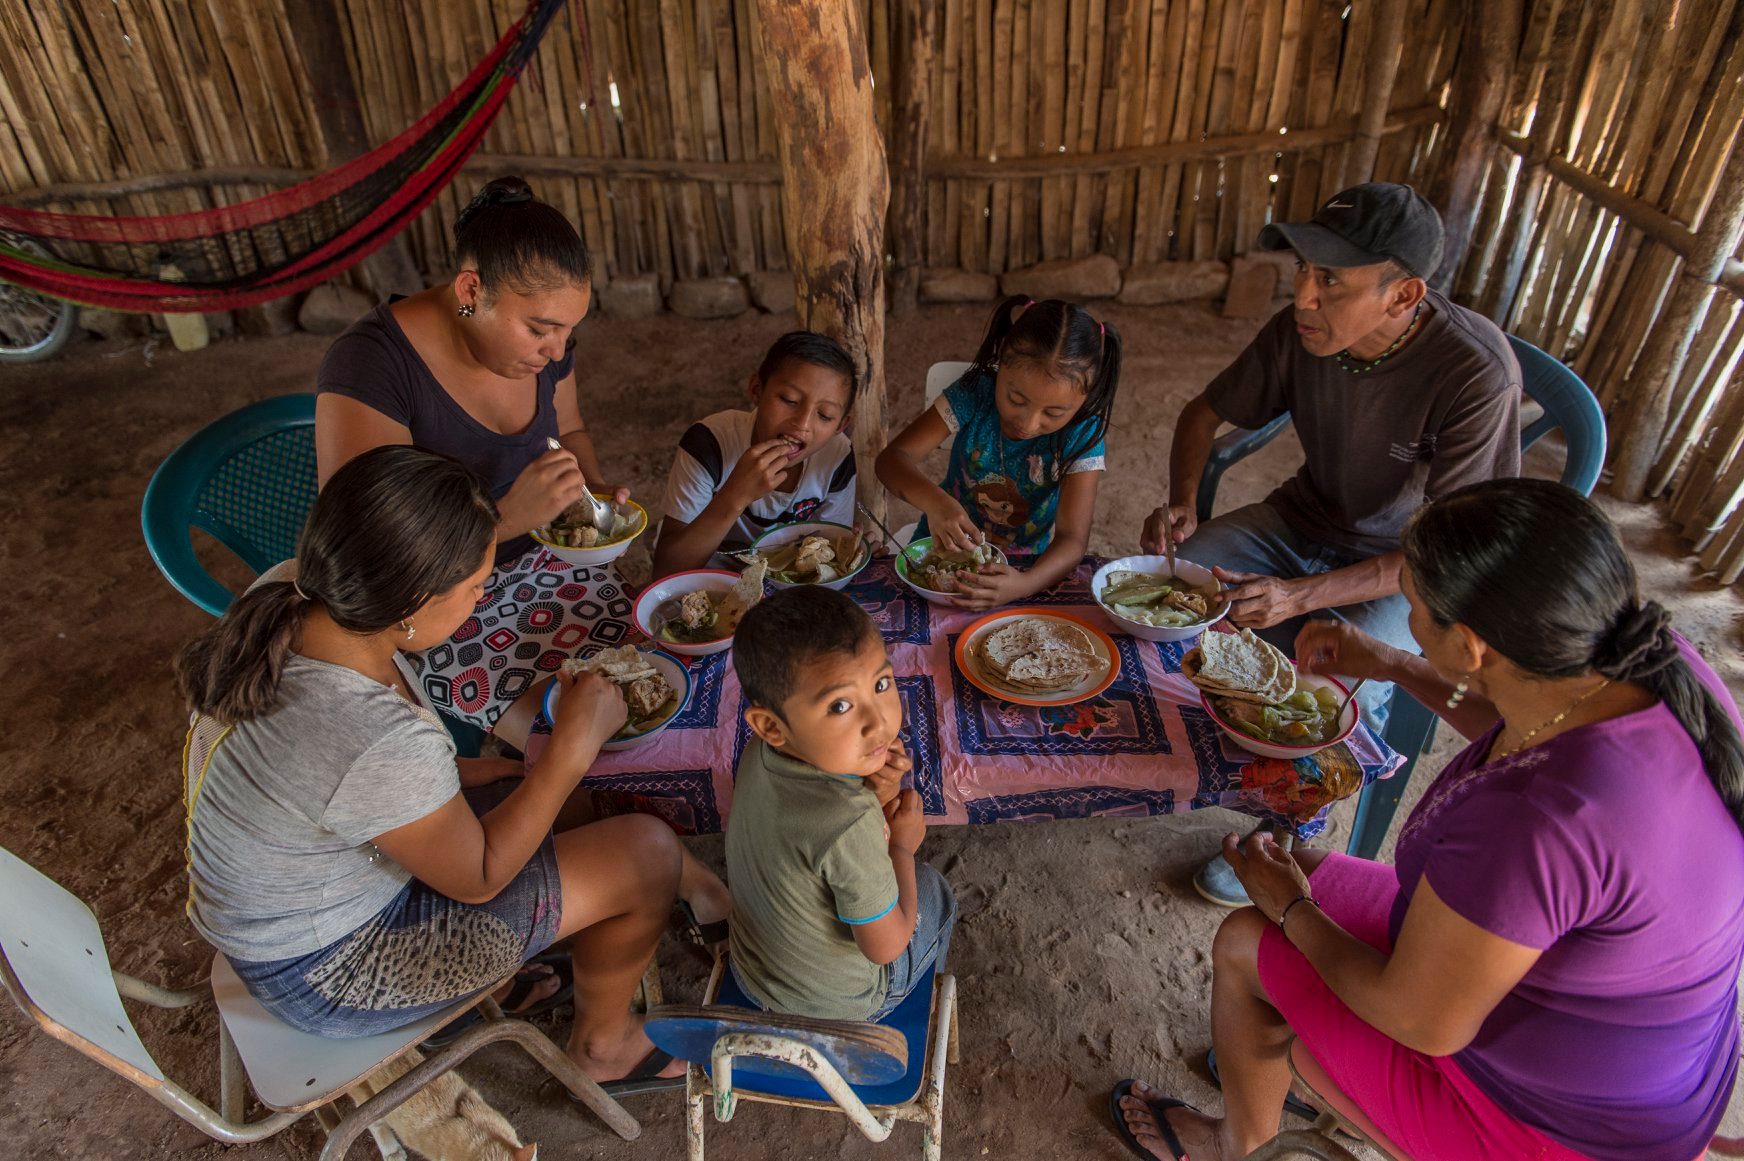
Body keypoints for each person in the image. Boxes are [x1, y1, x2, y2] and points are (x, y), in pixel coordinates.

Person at [1111, 478, 1744, 1161]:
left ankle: (1237, 1144)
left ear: (1472, 648)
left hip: (1553, 1127)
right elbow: (1524, 724)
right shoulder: (1643, 658)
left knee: (1246, 936)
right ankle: (1288, 1064)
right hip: (1654, 1065)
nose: (1404, 615)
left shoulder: (1537, 819)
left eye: (1411, 606)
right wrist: (1393, 664)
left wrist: (1291, 908)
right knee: (1311, 868)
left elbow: (1421, 1019)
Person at [176, 446, 730, 1094]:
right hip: (329, 974)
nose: (480, 599)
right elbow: (478, 875)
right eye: (474, 587)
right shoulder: (368, 732)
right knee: (646, 852)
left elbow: (344, 785)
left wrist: (502, 773)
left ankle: (514, 970)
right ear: (413, 597)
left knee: (569, 798)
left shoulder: (294, 594)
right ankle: (603, 1046)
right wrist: (569, 749)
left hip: (298, 907)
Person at [1147, 183, 1522, 906]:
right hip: (1300, 520)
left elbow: (1453, 554)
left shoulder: (1475, 372)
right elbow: (1201, 413)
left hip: (1403, 572)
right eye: (1304, 271)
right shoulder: (1304, 330)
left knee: (1329, 688)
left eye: (1330, 281)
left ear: (1403, 294)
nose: (1304, 297)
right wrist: (1183, 501)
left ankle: (1287, 836)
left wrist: (1301, 595)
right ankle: (1212, 763)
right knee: (1184, 589)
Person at [314, 175, 626, 735]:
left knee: (649, 680)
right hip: (439, 610)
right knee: (582, 738)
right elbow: (371, 554)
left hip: (554, 570)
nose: (557, 351)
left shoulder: (548, 351)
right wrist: (507, 517)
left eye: (569, 331)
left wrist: (591, 495)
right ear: (470, 292)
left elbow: (571, 430)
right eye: (540, 329)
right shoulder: (372, 365)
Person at [724, 586, 957, 1021]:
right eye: (841, 705)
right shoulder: (849, 822)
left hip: (754, 972)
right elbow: (886, 948)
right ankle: (909, 1011)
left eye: (881, 684)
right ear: (771, 726)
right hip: (835, 1010)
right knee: (933, 890)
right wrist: (901, 848)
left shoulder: (761, 753)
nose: (879, 721)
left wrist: (880, 791)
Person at [876, 296, 1121, 611]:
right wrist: (936, 504)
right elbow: (891, 460)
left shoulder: (1082, 430)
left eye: (1055, 412)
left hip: (1024, 568)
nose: (1029, 423)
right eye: (1016, 399)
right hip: (938, 551)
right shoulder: (976, 392)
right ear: (1001, 359)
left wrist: (1024, 584)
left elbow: (1073, 540)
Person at [651, 330, 858, 579]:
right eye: (789, 400)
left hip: (786, 584)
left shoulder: (836, 459)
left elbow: (828, 554)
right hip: (708, 578)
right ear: (756, 389)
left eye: (824, 415)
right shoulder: (711, 443)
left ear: (840, 426)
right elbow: (666, 570)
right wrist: (735, 496)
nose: (802, 423)